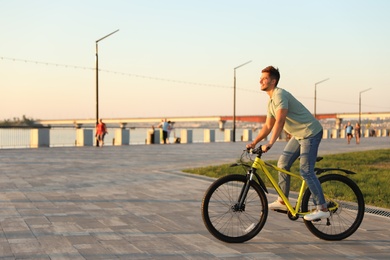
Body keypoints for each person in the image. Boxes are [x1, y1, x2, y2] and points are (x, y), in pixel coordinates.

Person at [246, 66, 329, 221]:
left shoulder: (280, 95)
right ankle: (283, 201)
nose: (260, 81)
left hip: (310, 132)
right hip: (299, 135)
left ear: (273, 81)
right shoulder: (271, 101)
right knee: (282, 164)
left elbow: (280, 120)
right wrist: (254, 142)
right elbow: (268, 126)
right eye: (261, 78)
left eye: (264, 78)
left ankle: (322, 208)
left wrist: (270, 143)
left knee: (306, 171)